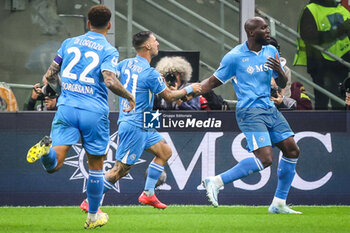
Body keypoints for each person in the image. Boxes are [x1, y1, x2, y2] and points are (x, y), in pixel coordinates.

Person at [26, 5, 135, 229]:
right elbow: (110, 80)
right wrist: (129, 96)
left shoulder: (69, 43)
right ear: (109, 25)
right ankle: (93, 217)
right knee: (96, 166)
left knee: (53, 164)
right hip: (93, 112)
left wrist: (53, 92)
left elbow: (50, 75)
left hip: (66, 109)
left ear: (87, 23)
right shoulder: (108, 50)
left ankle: (45, 152)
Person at [79, 31, 201, 212]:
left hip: (146, 120)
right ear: (147, 46)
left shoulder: (125, 64)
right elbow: (168, 97)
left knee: (165, 151)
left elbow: (108, 77)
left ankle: (148, 193)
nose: (158, 43)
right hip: (134, 123)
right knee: (120, 170)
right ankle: (90, 200)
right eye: (155, 41)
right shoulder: (150, 73)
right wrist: (189, 88)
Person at [200, 17, 302, 214]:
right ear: (252, 33)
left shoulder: (270, 51)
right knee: (265, 159)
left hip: (269, 108)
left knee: (292, 150)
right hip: (250, 111)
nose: (268, 31)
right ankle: (216, 181)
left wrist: (279, 70)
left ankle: (278, 204)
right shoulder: (234, 56)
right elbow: (212, 82)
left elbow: (280, 83)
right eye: (263, 28)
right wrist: (189, 92)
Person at [294, 0, 350, 110]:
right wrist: (339, 30)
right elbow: (310, 37)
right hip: (321, 64)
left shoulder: (341, 9)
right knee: (322, 102)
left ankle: (339, 126)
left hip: (342, 64)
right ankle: (321, 126)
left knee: (340, 102)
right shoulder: (311, 10)